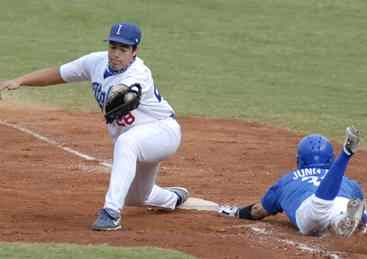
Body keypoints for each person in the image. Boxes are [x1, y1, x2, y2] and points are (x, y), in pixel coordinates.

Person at [0, 22, 189, 231]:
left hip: (163, 133)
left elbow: (123, 92)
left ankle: (111, 213)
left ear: (135, 51)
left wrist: (120, 95)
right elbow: (60, 73)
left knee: (127, 142)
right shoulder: (96, 62)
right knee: (137, 197)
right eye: (113, 47)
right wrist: (21, 80)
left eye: (123, 49)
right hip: (140, 140)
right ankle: (173, 198)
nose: (116, 54)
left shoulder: (138, 75)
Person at [218, 127, 365, 237]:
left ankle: (346, 154)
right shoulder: (350, 183)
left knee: (319, 208)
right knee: (344, 212)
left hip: (311, 209)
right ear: (330, 159)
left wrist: (238, 212)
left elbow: (257, 211)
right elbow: (359, 198)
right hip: (341, 202)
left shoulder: (286, 181)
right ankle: (345, 220)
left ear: (299, 159)